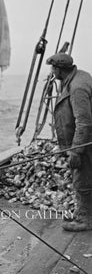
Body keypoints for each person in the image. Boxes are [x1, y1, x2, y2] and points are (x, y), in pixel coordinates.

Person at [46, 52, 92, 231]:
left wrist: (76, 151)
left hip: (85, 143)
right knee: (85, 177)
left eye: (53, 68)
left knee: (82, 181)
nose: (51, 71)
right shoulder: (79, 77)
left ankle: (85, 220)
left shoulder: (77, 87)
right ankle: (84, 211)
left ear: (59, 69)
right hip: (84, 141)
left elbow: (84, 122)